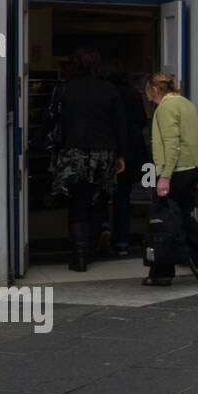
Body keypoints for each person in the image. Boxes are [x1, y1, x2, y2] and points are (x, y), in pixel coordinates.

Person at [145, 72, 198, 285]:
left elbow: (172, 144)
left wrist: (164, 176)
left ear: (156, 90)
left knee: (167, 220)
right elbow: (196, 141)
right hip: (191, 168)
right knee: (178, 218)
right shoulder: (188, 105)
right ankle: (163, 272)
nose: (151, 101)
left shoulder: (165, 108)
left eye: (150, 96)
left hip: (176, 171)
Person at [48, 48, 127, 272]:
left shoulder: (65, 89)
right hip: (103, 152)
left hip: (74, 151)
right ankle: (90, 251)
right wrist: (120, 155)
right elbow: (119, 125)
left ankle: (79, 256)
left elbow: (55, 121)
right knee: (98, 201)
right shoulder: (110, 90)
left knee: (77, 203)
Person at [92, 58, 148, 258]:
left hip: (108, 146)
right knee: (123, 196)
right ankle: (122, 243)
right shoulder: (132, 94)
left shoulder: (103, 94)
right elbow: (142, 120)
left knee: (102, 193)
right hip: (132, 148)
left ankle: (103, 226)